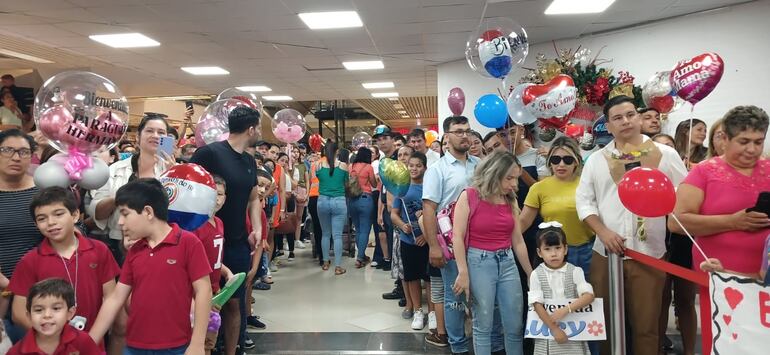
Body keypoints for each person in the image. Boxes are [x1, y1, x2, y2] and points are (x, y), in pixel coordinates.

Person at [576, 95, 687, 355]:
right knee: (606, 325)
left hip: (649, 253)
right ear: (609, 126)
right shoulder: (596, 160)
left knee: (647, 327)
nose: (625, 121)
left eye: (630, 115)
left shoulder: (665, 155)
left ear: (638, 118)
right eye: (617, 118)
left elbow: (684, 194)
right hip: (606, 254)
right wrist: (603, 232)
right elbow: (584, 202)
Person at [668, 105, 770, 355]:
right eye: (744, 141)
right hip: (718, 275)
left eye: (759, 142)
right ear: (725, 138)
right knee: (725, 340)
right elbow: (677, 222)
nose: (752, 149)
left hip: (764, 276)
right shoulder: (704, 172)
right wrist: (732, 222)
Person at [87, 179, 211, 355]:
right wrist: (90, 341)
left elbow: (203, 291)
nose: (120, 222)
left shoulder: (188, 243)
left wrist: (198, 343)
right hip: (134, 346)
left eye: (125, 213)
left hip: (176, 346)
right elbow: (115, 299)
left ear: (148, 212)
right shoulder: (135, 250)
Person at [190, 106, 263, 355]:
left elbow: (253, 199)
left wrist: (258, 228)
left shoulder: (249, 160)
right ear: (251, 129)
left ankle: (232, 350)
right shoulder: (209, 153)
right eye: (259, 128)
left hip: (236, 241)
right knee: (204, 299)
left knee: (234, 301)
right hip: (204, 239)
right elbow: (189, 189)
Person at [8, 187, 120, 339]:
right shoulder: (30, 260)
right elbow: (18, 312)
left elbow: (111, 298)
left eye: (58, 214)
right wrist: (53, 338)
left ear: (74, 215)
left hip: (92, 340)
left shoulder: (99, 250)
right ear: (36, 225)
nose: (51, 222)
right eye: (42, 218)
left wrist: (92, 339)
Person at [452, 151, 533, 355]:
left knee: (515, 324)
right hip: (479, 261)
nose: (514, 184)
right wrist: (463, 272)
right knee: (483, 324)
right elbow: (457, 237)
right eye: (509, 177)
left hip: (507, 261)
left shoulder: (510, 199)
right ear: (494, 173)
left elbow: (518, 240)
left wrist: (530, 273)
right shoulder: (469, 195)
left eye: (516, 177)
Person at [422, 115, 486, 352]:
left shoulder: (479, 165)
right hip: (449, 244)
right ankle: (458, 345)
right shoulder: (437, 170)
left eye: (467, 131)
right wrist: (433, 247)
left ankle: (481, 343)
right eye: (458, 131)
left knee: (481, 295)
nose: (464, 135)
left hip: (480, 241)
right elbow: (428, 209)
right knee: (454, 298)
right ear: (446, 137)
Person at [89, 114, 175, 265]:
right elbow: (97, 213)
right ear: (138, 137)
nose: (155, 136)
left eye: (161, 133)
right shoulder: (115, 170)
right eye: (149, 131)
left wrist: (174, 178)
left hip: (161, 245)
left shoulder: (172, 171)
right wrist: (121, 196)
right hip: (121, 244)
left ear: (167, 138)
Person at [520, 137, 594, 276]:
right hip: (554, 252)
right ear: (549, 162)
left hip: (587, 250)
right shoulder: (538, 188)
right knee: (558, 295)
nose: (561, 164)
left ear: (576, 162)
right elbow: (523, 222)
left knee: (588, 293)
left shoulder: (587, 184)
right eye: (555, 159)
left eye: (567, 160)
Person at [528, 224, 594, 355]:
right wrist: (554, 329)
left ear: (565, 249)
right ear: (539, 252)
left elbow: (589, 295)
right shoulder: (536, 274)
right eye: (547, 249)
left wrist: (566, 310)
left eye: (558, 248)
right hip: (547, 331)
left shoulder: (575, 271)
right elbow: (536, 304)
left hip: (573, 330)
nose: (553, 254)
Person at [192, 175, 235, 354]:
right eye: (212, 193)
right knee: (196, 340)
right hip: (197, 295)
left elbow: (213, 257)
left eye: (220, 194)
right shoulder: (195, 226)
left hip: (215, 291)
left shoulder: (219, 223)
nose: (216, 199)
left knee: (209, 341)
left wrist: (227, 272)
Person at [7, 279, 100, 355]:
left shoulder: (83, 341)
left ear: (70, 313)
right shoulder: (17, 352)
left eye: (56, 308)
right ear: (29, 316)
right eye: (39, 310)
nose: (47, 315)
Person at [391, 152, 429, 330]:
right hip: (408, 240)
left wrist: (426, 235)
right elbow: (394, 214)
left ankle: (433, 313)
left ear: (425, 167)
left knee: (429, 278)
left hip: (428, 241)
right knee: (412, 276)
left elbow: (435, 214)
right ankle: (418, 310)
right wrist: (402, 225)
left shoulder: (430, 187)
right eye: (411, 165)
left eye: (418, 165)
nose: (414, 169)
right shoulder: (402, 188)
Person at [315, 142, 349, 275]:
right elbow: (346, 182)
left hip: (322, 200)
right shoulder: (344, 166)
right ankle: (338, 266)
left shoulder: (318, 165)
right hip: (339, 201)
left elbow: (320, 178)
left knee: (325, 234)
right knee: (337, 235)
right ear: (337, 151)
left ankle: (325, 262)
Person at [349, 147, 377, 268]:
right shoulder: (368, 167)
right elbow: (374, 184)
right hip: (365, 199)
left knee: (358, 229)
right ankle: (360, 258)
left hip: (352, 200)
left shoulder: (351, 167)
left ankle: (361, 255)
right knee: (365, 230)